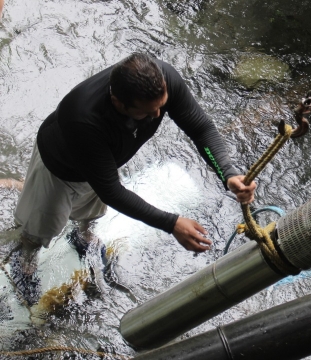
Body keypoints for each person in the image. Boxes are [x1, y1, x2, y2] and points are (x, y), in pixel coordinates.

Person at [12, 53, 256, 282]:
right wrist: (171, 223)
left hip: (103, 162)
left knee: (93, 211)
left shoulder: (163, 79)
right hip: (58, 169)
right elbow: (112, 191)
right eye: (148, 112)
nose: (159, 114)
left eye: (162, 106)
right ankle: (25, 258)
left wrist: (228, 172)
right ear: (118, 102)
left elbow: (200, 128)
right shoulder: (81, 116)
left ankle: (83, 235)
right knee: (41, 227)